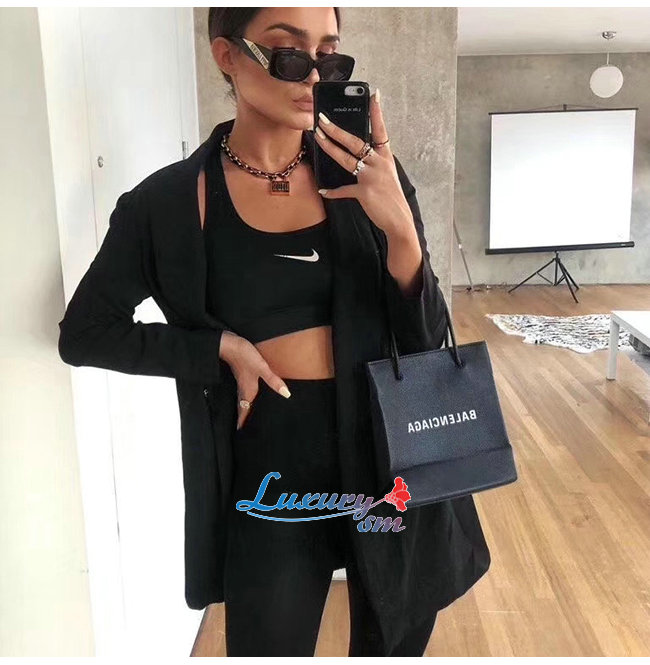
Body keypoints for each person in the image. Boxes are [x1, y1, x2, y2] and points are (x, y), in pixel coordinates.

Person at [59, 6, 491, 657]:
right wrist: (216, 349)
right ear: (227, 56)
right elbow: (86, 332)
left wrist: (400, 230)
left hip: (389, 447)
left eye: (330, 58)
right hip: (271, 464)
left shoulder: (374, 178)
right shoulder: (166, 205)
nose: (313, 77)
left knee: (393, 643)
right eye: (289, 55)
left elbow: (428, 340)